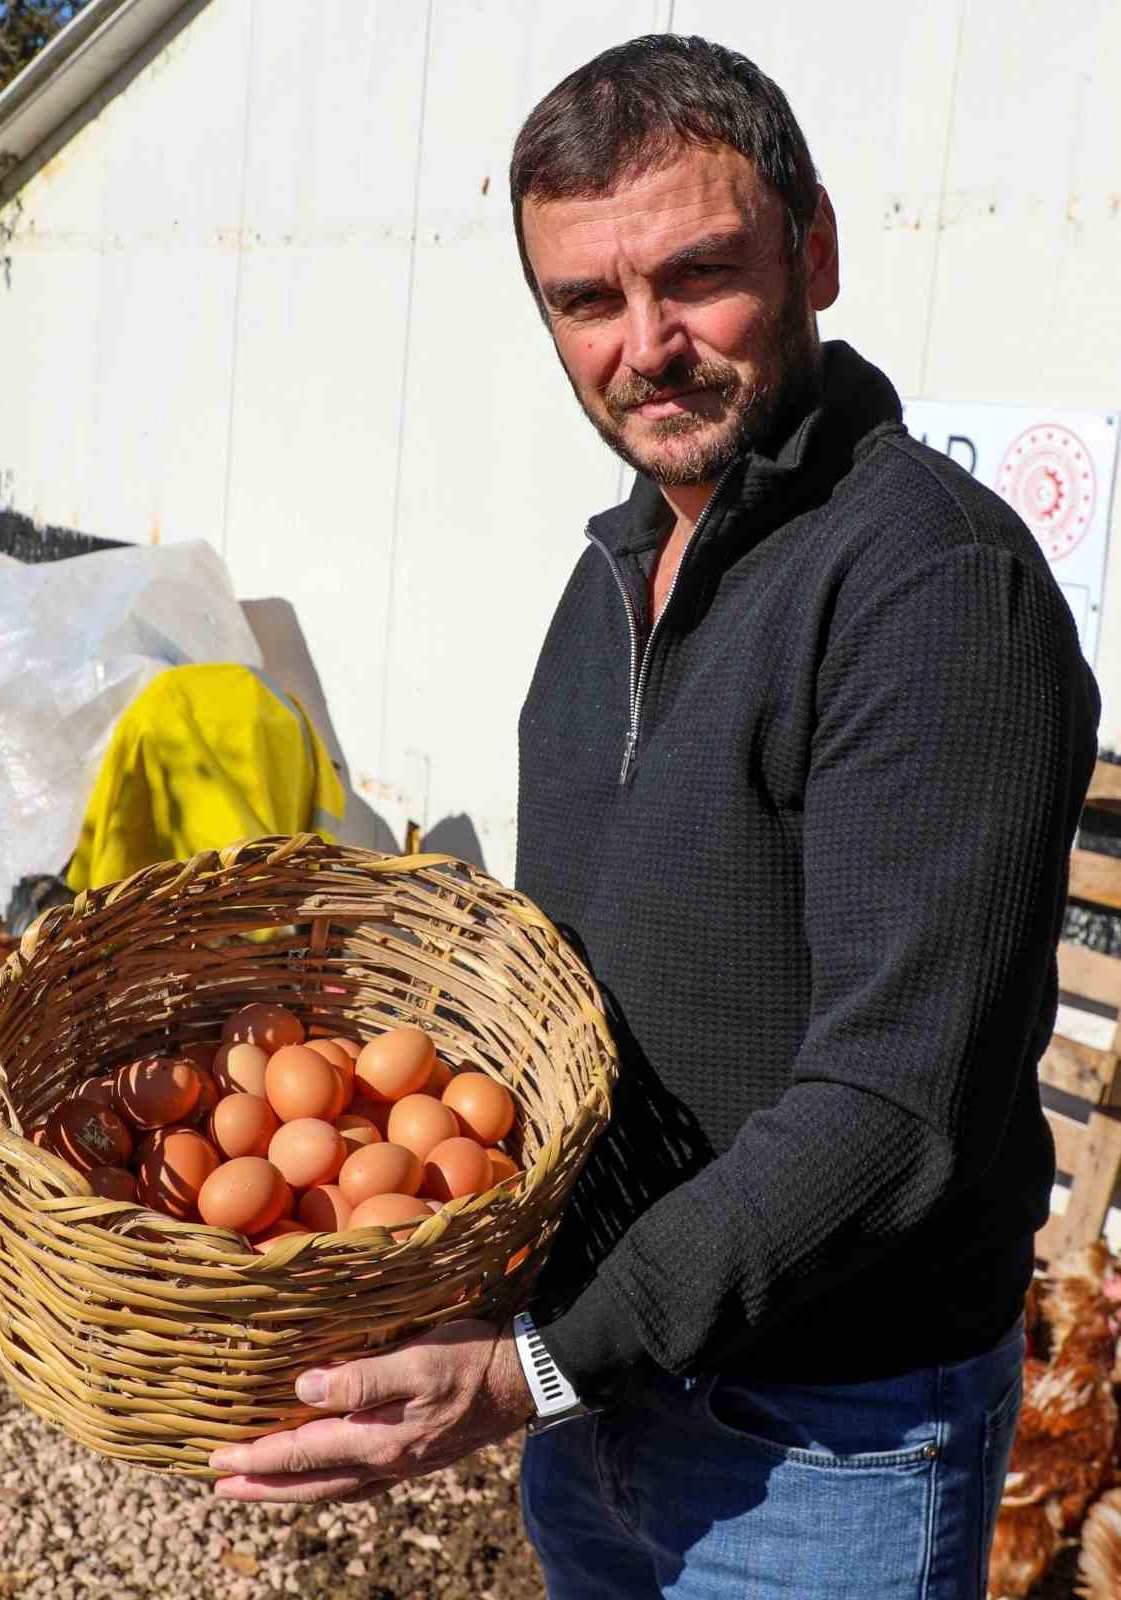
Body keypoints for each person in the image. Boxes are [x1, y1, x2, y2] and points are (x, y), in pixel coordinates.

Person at [207, 34, 1100, 1599]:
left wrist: (539, 1363)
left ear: (812, 251)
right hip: (599, 1402)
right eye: (585, 301)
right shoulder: (612, 571)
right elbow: (569, 992)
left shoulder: (929, 588)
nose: (646, 347)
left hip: (823, 1441)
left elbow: (891, 1112)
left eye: (697, 276)